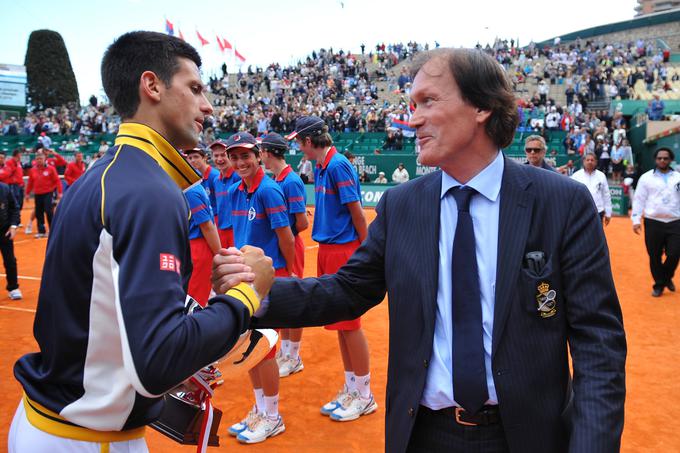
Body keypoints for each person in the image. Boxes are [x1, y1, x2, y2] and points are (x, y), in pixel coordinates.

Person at [216, 48, 626, 452]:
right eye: (412, 104)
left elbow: (598, 343)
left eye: (428, 101)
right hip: (424, 435)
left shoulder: (562, 202)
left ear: (481, 107)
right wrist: (259, 292)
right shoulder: (402, 205)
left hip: (528, 436)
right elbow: (346, 291)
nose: (412, 119)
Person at [9, 31, 271, 453]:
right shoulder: (150, 189)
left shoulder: (99, 176)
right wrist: (246, 294)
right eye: (195, 88)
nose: (208, 106)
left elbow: (103, 312)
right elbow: (159, 361)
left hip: (57, 424)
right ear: (152, 86)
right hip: (90, 439)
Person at [286, 115, 376, 423]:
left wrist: (370, 255)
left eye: (300, 143)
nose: (299, 149)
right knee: (340, 323)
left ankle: (364, 394)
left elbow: (358, 214)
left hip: (344, 252)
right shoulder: (323, 166)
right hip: (328, 250)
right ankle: (353, 387)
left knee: (350, 324)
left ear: (310, 142)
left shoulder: (337, 166)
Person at [225, 131, 294, 444]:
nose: (240, 162)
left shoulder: (269, 190)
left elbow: (287, 238)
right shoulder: (237, 189)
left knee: (264, 349)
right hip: (245, 279)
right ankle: (260, 408)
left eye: (245, 156)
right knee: (250, 348)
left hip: (267, 280)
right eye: (234, 156)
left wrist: (290, 273)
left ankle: (272, 415)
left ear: (258, 156)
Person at [260, 132, 309, 378]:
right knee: (283, 300)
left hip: (291, 245)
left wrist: (282, 233)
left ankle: (293, 355)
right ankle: (287, 352)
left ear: (268, 153)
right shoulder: (278, 180)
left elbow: (302, 223)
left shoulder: (290, 181)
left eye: (261, 152)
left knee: (293, 301)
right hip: (281, 244)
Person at [631, 147, 680, 297]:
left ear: (670, 160)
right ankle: (661, 283)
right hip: (653, 221)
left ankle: (663, 279)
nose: (662, 160)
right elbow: (639, 199)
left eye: (665, 158)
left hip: (675, 221)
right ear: (655, 160)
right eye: (660, 158)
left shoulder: (678, 177)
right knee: (654, 255)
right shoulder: (646, 178)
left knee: (674, 253)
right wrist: (635, 219)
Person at [184, 149, 222, 307]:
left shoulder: (192, 189)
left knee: (196, 295)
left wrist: (219, 253)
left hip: (198, 246)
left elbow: (207, 226)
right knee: (196, 295)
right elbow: (207, 226)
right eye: (189, 158)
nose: (192, 161)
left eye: (195, 157)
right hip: (196, 246)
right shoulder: (193, 188)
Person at [209, 139, 241, 248]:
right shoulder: (216, 181)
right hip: (222, 230)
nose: (219, 159)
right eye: (216, 155)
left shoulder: (238, 177)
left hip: (237, 230)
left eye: (223, 155)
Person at [25, 151, 62, 238]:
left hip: (48, 193)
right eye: (37, 159)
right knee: (38, 213)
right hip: (37, 194)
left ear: (45, 159)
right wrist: (27, 193)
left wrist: (60, 192)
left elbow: (57, 181)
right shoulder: (32, 170)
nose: (39, 160)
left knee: (49, 211)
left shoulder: (51, 169)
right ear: (35, 160)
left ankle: (52, 230)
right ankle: (41, 231)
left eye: (41, 158)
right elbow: (30, 182)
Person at [571, 153, 612, 226]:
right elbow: (571, 195)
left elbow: (606, 195)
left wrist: (608, 213)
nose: (590, 162)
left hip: (598, 211)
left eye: (592, 160)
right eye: (588, 160)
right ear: (583, 162)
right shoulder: (576, 176)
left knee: (597, 236)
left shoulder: (601, 176)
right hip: (580, 211)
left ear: (596, 162)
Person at [0, 179, 21, 300]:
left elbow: (15, 208)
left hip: (4, 231)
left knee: (10, 261)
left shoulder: (5, 189)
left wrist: (13, 225)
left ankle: (13, 288)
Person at [185, 146, 220, 215]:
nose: (193, 160)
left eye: (196, 157)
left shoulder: (215, 176)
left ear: (205, 158)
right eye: (190, 158)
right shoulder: (195, 175)